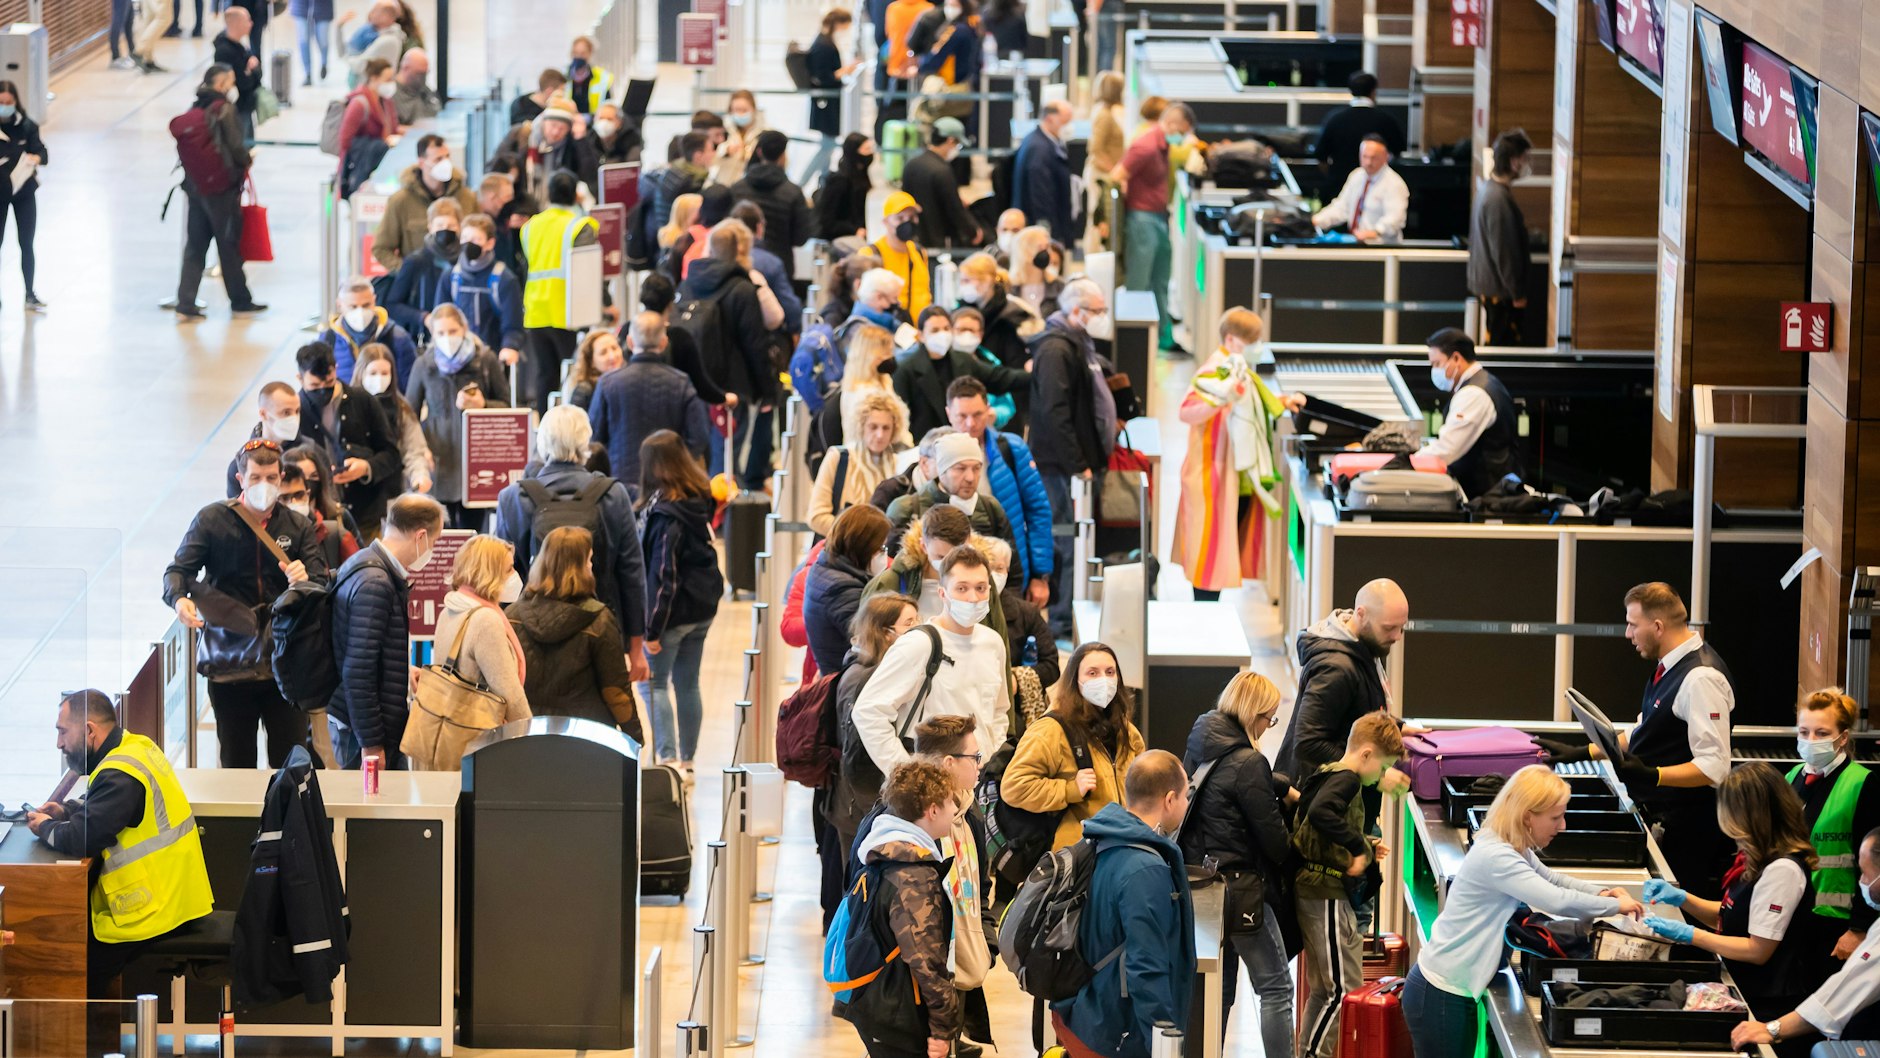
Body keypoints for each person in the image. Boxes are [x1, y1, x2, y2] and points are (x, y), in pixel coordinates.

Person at [1403, 766, 1642, 1058]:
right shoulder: (1498, 856)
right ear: (1528, 815)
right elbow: (1556, 900)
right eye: (1555, 817)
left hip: (1448, 992)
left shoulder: (1509, 844)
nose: (1563, 825)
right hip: (1440, 996)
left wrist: (1601, 893)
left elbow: (1552, 879)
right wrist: (1616, 907)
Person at [1539, 582, 1737, 899]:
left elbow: (1715, 767)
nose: (1628, 634)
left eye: (1633, 625)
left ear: (1657, 627)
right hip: (1661, 819)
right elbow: (1645, 729)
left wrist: (1654, 775)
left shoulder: (1702, 679)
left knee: (1682, 925)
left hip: (1689, 831)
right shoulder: (1668, 667)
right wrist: (1584, 752)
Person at [1639, 763, 1840, 1054]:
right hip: (1745, 988)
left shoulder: (1782, 870)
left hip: (1769, 1004)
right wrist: (1683, 899)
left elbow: (1758, 950)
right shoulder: (1758, 855)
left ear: (1751, 817)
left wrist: (1691, 935)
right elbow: (1731, 913)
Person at [27, 691, 214, 1001]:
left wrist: (44, 826)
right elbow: (107, 807)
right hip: (178, 895)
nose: (59, 744)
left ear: (89, 730)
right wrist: (67, 810)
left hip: (157, 908)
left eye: (62, 732)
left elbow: (81, 839)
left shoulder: (119, 772)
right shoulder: (134, 746)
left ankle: (75, 1041)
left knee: (73, 957)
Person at [165, 439, 324, 767]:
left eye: (271, 477)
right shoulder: (212, 520)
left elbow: (322, 584)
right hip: (230, 664)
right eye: (255, 478)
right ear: (240, 479)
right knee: (236, 763)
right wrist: (179, 600)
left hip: (284, 666)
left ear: (280, 477)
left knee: (291, 764)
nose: (263, 485)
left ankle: (287, 820)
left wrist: (304, 580)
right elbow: (178, 571)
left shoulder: (298, 527)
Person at [1178, 672, 1298, 1058]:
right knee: (1276, 987)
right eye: (1269, 718)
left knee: (1219, 989)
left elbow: (1225, 785)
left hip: (1202, 884)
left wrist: (1275, 783)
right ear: (1252, 714)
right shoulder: (1250, 761)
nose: (1268, 726)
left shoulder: (1202, 736)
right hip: (1242, 891)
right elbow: (1275, 843)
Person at [1050, 750, 1196, 1058]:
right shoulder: (1146, 869)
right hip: (1112, 1032)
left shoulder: (1100, 839)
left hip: (1082, 1013)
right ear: (1170, 799)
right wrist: (1166, 1048)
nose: (1186, 804)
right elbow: (1147, 968)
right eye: (1186, 796)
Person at [494, 406, 649, 675]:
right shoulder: (613, 495)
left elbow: (503, 578)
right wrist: (636, 651)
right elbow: (632, 574)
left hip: (531, 636)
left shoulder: (513, 498)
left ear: (541, 442)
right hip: (600, 632)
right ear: (584, 444)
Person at [1295, 712, 1405, 1058]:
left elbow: (1316, 824)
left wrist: (1365, 844)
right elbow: (1321, 814)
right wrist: (1357, 847)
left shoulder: (1329, 773)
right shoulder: (1348, 780)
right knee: (1342, 990)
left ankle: (1307, 1051)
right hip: (1325, 893)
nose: (1382, 777)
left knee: (1324, 988)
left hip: (1317, 890)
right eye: (1383, 768)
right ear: (1367, 754)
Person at [1176, 309, 1305, 600]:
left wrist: (1283, 402)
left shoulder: (1238, 367)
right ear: (1232, 339)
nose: (1258, 346)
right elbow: (1186, 411)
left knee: (1221, 546)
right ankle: (1205, 615)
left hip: (1234, 474)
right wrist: (1223, 399)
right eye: (1253, 340)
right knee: (1209, 550)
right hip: (1212, 473)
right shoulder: (1214, 370)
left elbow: (1255, 400)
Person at [853, 544, 1010, 776]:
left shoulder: (993, 642)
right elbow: (868, 711)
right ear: (942, 593)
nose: (973, 598)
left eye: (980, 588)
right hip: (931, 787)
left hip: (979, 782)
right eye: (962, 588)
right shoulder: (918, 643)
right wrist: (906, 774)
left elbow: (999, 710)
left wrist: (992, 755)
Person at [844, 758, 965, 1058]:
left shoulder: (883, 847)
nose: (955, 810)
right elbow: (925, 960)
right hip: (899, 1016)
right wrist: (942, 1026)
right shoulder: (913, 875)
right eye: (950, 802)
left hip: (876, 1004)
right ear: (932, 810)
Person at [1728, 827, 1880, 1052]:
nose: (1862, 882)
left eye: (1866, 874)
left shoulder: (1785, 869)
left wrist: (1773, 1029)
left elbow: (1850, 987)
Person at [328, 492, 444, 768]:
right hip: (365, 733)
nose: (433, 550)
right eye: (435, 542)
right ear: (420, 537)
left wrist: (401, 672)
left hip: (362, 722)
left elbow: (367, 649)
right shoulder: (376, 584)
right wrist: (371, 744)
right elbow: (358, 670)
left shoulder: (365, 562)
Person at [1028, 278, 1114, 637]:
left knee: (1074, 538)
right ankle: (1062, 619)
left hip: (1074, 463)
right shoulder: (1055, 350)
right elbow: (1055, 411)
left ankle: (1068, 614)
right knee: (1063, 539)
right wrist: (1078, 462)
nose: (1100, 317)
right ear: (1076, 310)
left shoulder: (1076, 342)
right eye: (1096, 311)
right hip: (1060, 466)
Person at [637, 430, 724, 777]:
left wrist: (652, 630)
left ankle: (667, 760)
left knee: (653, 684)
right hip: (702, 609)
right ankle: (687, 761)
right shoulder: (698, 499)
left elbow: (664, 577)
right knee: (688, 683)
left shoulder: (666, 516)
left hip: (672, 616)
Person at [1003, 640, 1145, 851]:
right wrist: (1070, 789)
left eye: (1110, 672)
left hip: (1122, 848)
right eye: (1092, 673)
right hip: (1077, 857)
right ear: (1075, 680)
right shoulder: (1051, 729)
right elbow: (1014, 787)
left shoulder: (1125, 730)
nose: (1104, 680)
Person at [507, 525, 643, 738]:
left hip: (528, 731)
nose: (591, 565)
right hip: (587, 735)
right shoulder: (599, 619)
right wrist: (634, 737)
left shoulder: (513, 615)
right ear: (580, 567)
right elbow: (615, 691)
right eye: (589, 560)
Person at [680, 220, 786, 488]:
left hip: (693, 380)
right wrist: (766, 389)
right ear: (738, 251)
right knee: (727, 457)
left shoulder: (688, 283)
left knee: (696, 455)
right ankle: (724, 519)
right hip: (731, 389)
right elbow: (754, 343)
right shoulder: (742, 288)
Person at [1790, 688, 1880, 958]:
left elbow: (1877, 866)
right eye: (1804, 732)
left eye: (1822, 733)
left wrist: (1859, 929)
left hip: (1838, 922)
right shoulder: (1793, 776)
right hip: (1793, 913)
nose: (1810, 740)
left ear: (1842, 738)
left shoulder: (1863, 783)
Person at [830, 591, 923, 855]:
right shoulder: (866, 678)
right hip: (861, 806)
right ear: (884, 632)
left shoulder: (866, 668)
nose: (918, 631)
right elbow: (858, 755)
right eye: (909, 624)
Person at [404, 302, 511, 526]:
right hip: (440, 460)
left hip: (478, 459)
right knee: (442, 531)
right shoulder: (424, 364)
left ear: (464, 328)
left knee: (474, 528)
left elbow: (508, 408)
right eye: (440, 332)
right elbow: (409, 415)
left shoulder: (485, 359)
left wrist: (483, 405)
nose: (447, 337)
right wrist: (420, 450)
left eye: (452, 331)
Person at [943, 377, 1051, 596]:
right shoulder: (936, 453)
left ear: (988, 410)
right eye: (962, 416)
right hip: (954, 573)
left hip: (1008, 570)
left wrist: (1040, 576)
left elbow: (1038, 510)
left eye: (977, 415)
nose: (970, 424)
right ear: (948, 414)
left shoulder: (1011, 448)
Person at [175, 65, 264, 321]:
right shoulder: (224, 109)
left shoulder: (195, 108)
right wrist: (246, 160)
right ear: (222, 83)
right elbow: (236, 146)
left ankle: (185, 303)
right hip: (222, 191)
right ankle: (240, 301)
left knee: (195, 245)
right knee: (228, 245)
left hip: (195, 187)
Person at [292, 341, 402, 532]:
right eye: (314, 385)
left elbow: (392, 454)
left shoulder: (363, 400)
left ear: (336, 369)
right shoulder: (294, 411)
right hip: (315, 519)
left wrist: (366, 468)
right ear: (300, 379)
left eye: (328, 383)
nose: (322, 391)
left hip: (365, 515)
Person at [1112, 101, 1194, 354]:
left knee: (1160, 280)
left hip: (1158, 219)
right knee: (1139, 281)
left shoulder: (1164, 146)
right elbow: (1117, 176)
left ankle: (1163, 337)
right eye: (1183, 132)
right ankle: (1134, 344)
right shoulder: (1145, 146)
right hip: (1142, 221)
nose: (1184, 138)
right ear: (1171, 125)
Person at [429, 534, 532, 727]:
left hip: (453, 729)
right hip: (482, 739)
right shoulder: (486, 620)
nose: (515, 575)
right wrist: (530, 735)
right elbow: (510, 694)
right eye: (509, 569)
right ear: (489, 573)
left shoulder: (450, 609)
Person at [521, 172, 599, 412]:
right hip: (569, 311)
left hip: (535, 309)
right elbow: (588, 272)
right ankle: (573, 422)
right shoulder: (582, 225)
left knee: (546, 372)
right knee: (576, 372)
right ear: (576, 194)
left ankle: (546, 426)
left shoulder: (530, 226)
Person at [1417, 327, 1523, 497]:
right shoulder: (1484, 383)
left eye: (1436, 364)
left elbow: (1447, 449)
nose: (1434, 371)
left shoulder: (1474, 394)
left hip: (1488, 498)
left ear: (1456, 358)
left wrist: (1409, 462)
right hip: (1489, 493)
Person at [893, 307, 1028, 438]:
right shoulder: (906, 369)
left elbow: (1000, 378)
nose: (942, 334)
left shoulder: (963, 360)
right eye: (935, 330)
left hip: (963, 441)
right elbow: (901, 417)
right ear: (921, 335)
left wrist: (1035, 373)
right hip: (925, 446)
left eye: (946, 328)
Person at [886, 430, 1017, 560]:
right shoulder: (906, 508)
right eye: (960, 468)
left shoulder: (990, 507)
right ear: (942, 471)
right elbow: (890, 567)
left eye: (976, 468)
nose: (970, 477)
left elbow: (1011, 568)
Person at [806, 504, 896, 674]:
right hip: (847, 682)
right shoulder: (844, 590)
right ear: (862, 546)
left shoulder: (826, 566)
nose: (884, 554)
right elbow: (872, 645)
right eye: (881, 548)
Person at [373, 134, 477, 273]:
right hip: (419, 287)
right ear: (422, 163)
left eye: (447, 157)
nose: (445, 163)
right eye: (438, 159)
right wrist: (407, 271)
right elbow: (381, 248)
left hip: (459, 280)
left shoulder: (466, 197)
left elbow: (480, 235)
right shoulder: (401, 201)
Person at [810, 390, 907, 536]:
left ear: (895, 429)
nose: (880, 435)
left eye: (886, 428)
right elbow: (816, 516)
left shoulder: (899, 464)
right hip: (843, 549)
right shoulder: (839, 458)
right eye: (873, 427)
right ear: (861, 426)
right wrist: (857, 536)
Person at [436, 213, 525, 369]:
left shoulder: (504, 279)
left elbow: (513, 323)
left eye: (476, 239)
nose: (469, 244)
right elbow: (439, 315)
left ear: (490, 243)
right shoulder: (450, 276)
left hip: (491, 357)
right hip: (455, 356)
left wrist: (510, 346)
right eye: (465, 238)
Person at [1471, 129, 1533, 346]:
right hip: (1501, 292)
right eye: (1525, 159)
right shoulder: (1498, 200)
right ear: (1514, 161)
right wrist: (1517, 292)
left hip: (1492, 286)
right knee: (1502, 345)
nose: (1527, 165)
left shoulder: (1488, 190)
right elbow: (1504, 252)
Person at [638, 271, 729, 409]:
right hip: (671, 414)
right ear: (670, 304)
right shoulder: (680, 337)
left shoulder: (629, 330)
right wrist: (723, 398)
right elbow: (701, 385)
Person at [351, 344, 433, 493]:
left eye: (384, 373)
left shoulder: (401, 408)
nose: (379, 379)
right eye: (373, 373)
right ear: (361, 373)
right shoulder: (348, 405)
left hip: (393, 490)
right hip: (356, 492)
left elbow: (414, 450)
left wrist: (420, 476)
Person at [1314, 72, 1406, 200]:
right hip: (1377, 191)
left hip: (1339, 188)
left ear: (1351, 91)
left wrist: (1334, 176)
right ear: (1373, 92)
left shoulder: (1335, 119)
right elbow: (1398, 153)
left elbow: (1320, 157)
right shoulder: (1386, 120)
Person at [730, 131, 815, 263]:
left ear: (759, 152)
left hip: (742, 259)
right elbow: (801, 238)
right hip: (780, 261)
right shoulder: (793, 192)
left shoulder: (737, 189)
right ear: (783, 156)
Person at [321, 275, 420, 388]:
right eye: (353, 307)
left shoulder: (398, 337)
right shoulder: (328, 340)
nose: (360, 312)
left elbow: (410, 387)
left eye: (366, 305)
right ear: (339, 305)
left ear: (374, 300)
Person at [385, 197, 460, 338]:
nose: (445, 230)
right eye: (440, 225)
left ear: (459, 226)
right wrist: (423, 318)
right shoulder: (416, 261)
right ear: (430, 227)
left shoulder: (466, 261)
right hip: (424, 336)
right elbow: (393, 304)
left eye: (451, 226)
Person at [903, 118, 983, 250]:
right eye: (958, 144)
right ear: (950, 140)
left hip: (914, 237)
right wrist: (972, 232)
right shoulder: (942, 171)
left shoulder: (911, 164)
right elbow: (954, 208)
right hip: (938, 240)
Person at [1313, 133, 1409, 243]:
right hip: (1356, 244)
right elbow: (1341, 208)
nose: (1368, 162)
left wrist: (1375, 231)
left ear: (1385, 157)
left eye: (1373, 157)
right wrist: (1316, 220)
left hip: (1381, 247)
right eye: (1365, 156)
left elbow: (1395, 219)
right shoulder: (1356, 176)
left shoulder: (1394, 183)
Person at [957, 252, 1042, 374]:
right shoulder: (962, 311)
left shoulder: (1013, 315)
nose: (963, 286)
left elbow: (1016, 364)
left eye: (967, 280)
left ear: (987, 280)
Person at [730, 199, 805, 327]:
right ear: (759, 227)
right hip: (763, 333)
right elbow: (791, 308)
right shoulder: (771, 263)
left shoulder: (718, 260)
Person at [0, 83, 40, 310]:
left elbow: (42, 152)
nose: (4, 107)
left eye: (8, 103)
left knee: (26, 242)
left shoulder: (26, 126)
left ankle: (29, 293)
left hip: (24, 193)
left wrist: (35, 158)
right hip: (0, 194)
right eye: (1, 103)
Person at [336, 58, 401, 199]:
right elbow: (344, 140)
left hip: (379, 164)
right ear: (374, 78)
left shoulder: (386, 101)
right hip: (362, 166)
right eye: (388, 79)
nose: (391, 83)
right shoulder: (359, 104)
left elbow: (393, 128)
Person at [1012, 100, 1076, 242]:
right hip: (1041, 227)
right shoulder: (1039, 151)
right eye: (1064, 122)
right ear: (1049, 119)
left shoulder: (1044, 142)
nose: (1067, 127)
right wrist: (1048, 230)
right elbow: (1040, 195)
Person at [808, 9, 859, 171]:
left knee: (827, 146)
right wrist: (845, 71)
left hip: (828, 101)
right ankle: (802, 183)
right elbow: (824, 76)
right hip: (826, 102)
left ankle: (823, 182)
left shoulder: (824, 41)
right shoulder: (823, 45)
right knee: (827, 146)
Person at [648, 131, 713, 255]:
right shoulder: (693, 184)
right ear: (698, 156)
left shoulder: (672, 172)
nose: (714, 154)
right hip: (680, 242)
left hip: (665, 237)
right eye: (711, 150)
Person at [876, 191, 935, 318]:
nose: (907, 223)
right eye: (900, 218)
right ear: (885, 222)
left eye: (912, 217)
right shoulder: (873, 253)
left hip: (919, 330)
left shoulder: (919, 252)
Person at [211, 7, 261, 142]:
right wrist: (253, 71)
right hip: (236, 111)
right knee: (241, 147)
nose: (251, 23)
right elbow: (244, 83)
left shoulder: (241, 46)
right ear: (237, 23)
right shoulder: (225, 51)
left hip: (245, 107)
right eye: (247, 20)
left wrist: (252, 70)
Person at [815, 134, 876, 242]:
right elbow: (827, 220)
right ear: (854, 152)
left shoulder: (860, 177)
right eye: (866, 149)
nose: (870, 153)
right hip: (839, 240)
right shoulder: (839, 181)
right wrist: (854, 230)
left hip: (855, 238)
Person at [337, 0, 407, 85]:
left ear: (386, 16)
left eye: (375, 10)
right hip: (364, 88)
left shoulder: (389, 41)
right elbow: (344, 52)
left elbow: (359, 64)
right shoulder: (370, 32)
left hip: (373, 91)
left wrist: (349, 59)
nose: (370, 13)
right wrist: (339, 26)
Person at [1007, 225, 1063, 317]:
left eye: (1047, 247)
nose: (1047, 252)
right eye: (1040, 248)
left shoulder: (1058, 286)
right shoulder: (1009, 288)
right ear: (1024, 251)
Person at [566, 325, 625, 411]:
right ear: (591, 361)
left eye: (614, 348)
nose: (612, 356)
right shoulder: (583, 390)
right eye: (603, 353)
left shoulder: (628, 380)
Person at [389, 48, 440, 124]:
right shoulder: (391, 94)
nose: (423, 78)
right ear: (406, 68)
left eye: (425, 73)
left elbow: (437, 109)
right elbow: (392, 129)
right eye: (419, 74)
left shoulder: (424, 90)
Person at [289, 0, 334, 85]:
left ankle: (324, 63)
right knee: (303, 40)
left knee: (322, 39)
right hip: (300, 7)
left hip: (323, 8)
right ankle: (307, 73)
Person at [565, 36, 613, 114]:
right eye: (575, 53)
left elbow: (608, 104)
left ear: (590, 53)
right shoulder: (564, 75)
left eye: (583, 53)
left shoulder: (602, 77)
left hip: (593, 122)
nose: (578, 57)